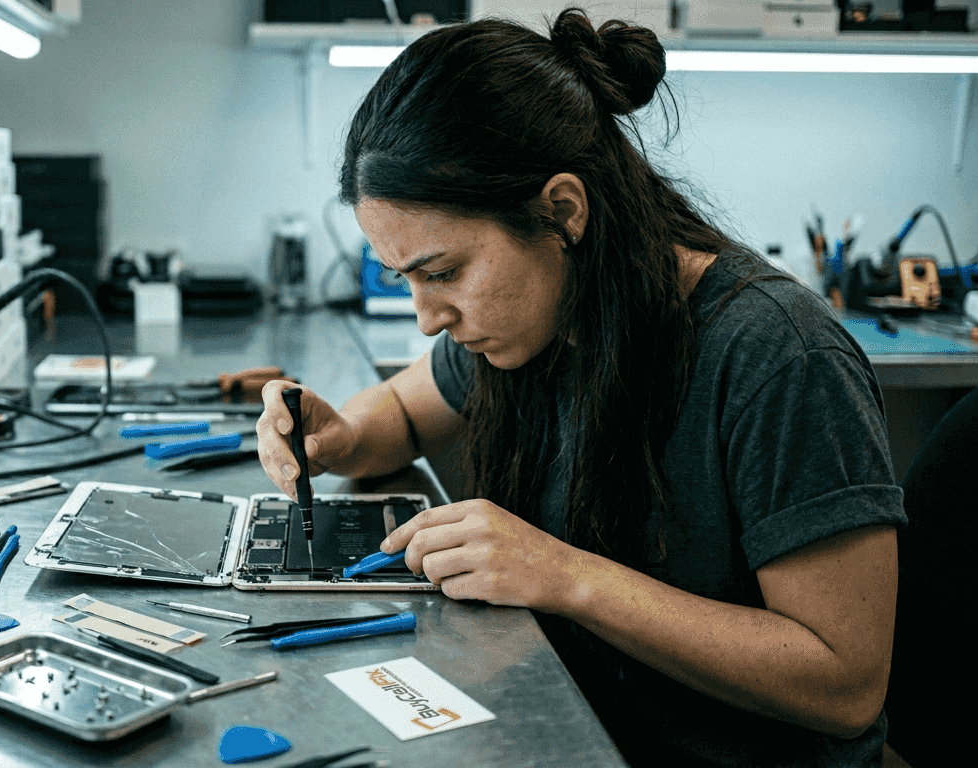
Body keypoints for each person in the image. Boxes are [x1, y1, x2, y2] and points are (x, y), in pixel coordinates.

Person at [256, 9, 906, 768]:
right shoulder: (539, 323)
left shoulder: (777, 355)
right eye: (408, 280)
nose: (429, 317)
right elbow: (401, 408)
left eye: (442, 272)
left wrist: (564, 575)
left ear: (562, 212)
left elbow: (846, 683)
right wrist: (340, 436)